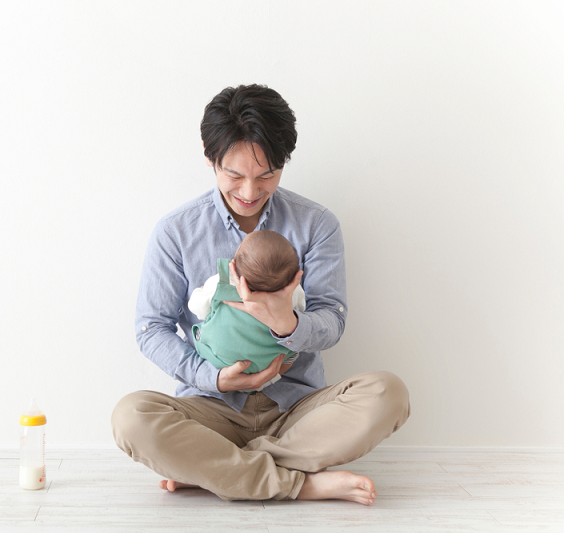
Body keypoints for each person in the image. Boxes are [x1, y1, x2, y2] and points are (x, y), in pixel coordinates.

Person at [111, 84, 410, 504]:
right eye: (234, 175)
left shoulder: (316, 224)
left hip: (297, 410)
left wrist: (288, 324)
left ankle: (218, 469)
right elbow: (151, 328)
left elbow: (332, 319)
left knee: (388, 393)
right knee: (131, 417)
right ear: (208, 154)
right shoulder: (175, 232)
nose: (250, 192)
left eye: (266, 175)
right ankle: (298, 482)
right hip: (211, 408)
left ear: (284, 162)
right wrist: (211, 377)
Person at [188, 230, 307, 392]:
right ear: (294, 276)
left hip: (220, 360)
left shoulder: (221, 283)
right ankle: (267, 380)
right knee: (293, 352)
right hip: (269, 363)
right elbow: (300, 314)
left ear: (234, 265)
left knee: (200, 334)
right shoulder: (294, 291)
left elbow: (197, 309)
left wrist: (201, 291)